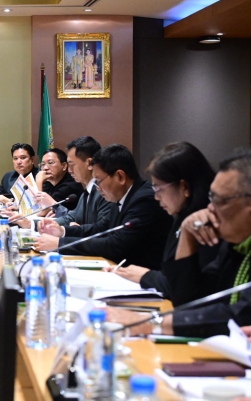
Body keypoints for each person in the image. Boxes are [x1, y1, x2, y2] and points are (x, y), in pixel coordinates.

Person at [109, 150, 251, 338]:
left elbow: (239, 315)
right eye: (211, 198)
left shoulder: (221, 237)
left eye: (220, 200)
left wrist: (149, 323)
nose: (210, 208)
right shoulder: (235, 246)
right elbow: (189, 299)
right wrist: (187, 235)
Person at [37, 144, 172, 269]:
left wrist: (60, 243)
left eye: (99, 180)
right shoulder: (122, 197)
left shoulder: (144, 200)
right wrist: (62, 231)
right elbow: (101, 228)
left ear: (120, 177)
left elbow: (115, 245)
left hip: (143, 279)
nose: (97, 187)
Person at [111, 142, 216, 297]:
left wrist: (146, 276)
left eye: (159, 188)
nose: (156, 197)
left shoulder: (206, 224)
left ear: (184, 187)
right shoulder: (181, 215)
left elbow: (187, 289)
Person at [33, 136, 116, 246]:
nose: (70, 170)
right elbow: (71, 217)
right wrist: (34, 224)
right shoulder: (86, 192)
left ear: (89, 163)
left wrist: (68, 232)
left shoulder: (104, 192)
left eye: (72, 165)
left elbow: (102, 230)